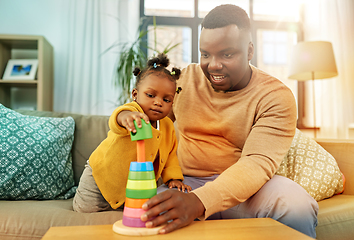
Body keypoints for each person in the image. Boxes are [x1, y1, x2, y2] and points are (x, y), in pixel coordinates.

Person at [138, 4, 319, 238]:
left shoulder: (275, 96)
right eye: (205, 54)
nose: (213, 65)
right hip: (184, 183)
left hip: (247, 189)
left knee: (295, 204)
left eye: (227, 54)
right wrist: (127, 115)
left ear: (250, 51)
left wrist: (198, 202)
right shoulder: (183, 80)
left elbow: (256, 163)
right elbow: (147, 115)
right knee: (148, 211)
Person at [73, 53, 191, 213]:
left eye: (167, 99)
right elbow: (118, 118)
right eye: (150, 95)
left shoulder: (168, 126)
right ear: (135, 95)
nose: (158, 102)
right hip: (102, 178)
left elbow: (170, 157)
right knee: (84, 210)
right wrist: (127, 118)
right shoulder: (133, 112)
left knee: (133, 214)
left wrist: (174, 179)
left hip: (136, 183)